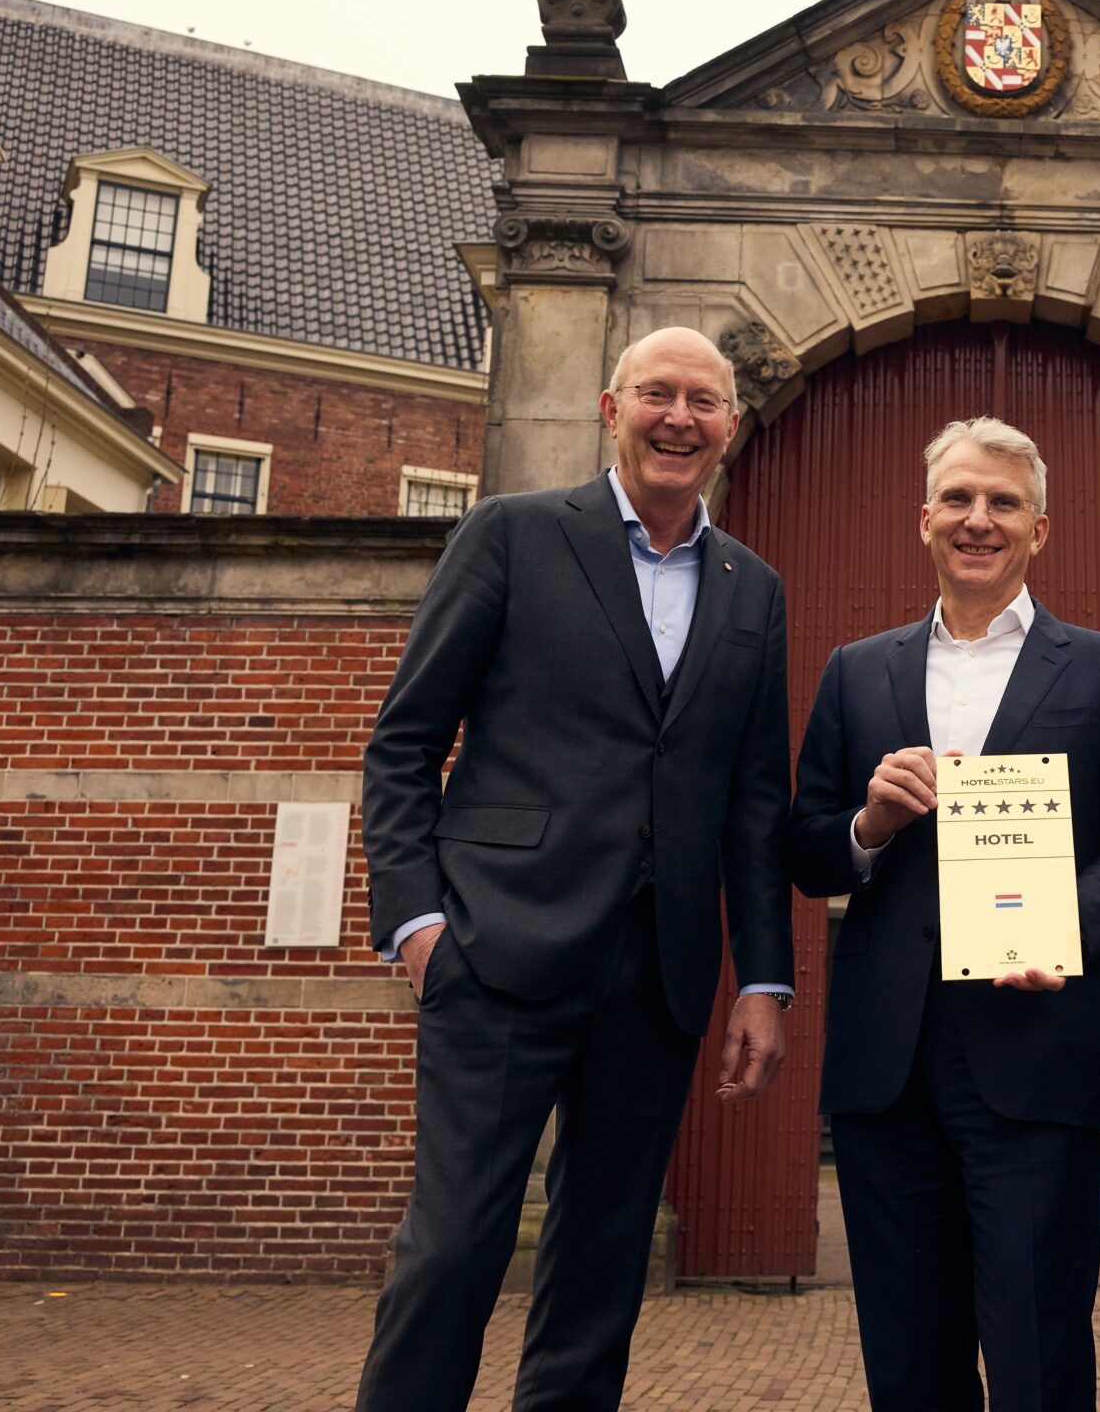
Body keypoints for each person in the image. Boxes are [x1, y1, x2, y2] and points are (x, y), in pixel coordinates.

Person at [354, 327, 796, 1412]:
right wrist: (416, 921)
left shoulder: (753, 588)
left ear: (730, 427)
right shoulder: (509, 535)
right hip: (498, 947)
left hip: (658, 974)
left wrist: (764, 979)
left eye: (703, 400)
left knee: (601, 1263)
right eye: (658, 394)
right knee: (456, 1245)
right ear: (611, 408)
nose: (679, 417)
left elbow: (753, 799)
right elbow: (404, 744)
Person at [788, 417, 1100, 1412]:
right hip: (888, 1066)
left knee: (1039, 1357)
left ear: (1038, 530)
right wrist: (868, 824)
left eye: (1003, 502)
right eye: (958, 499)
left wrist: (1060, 921)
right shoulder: (854, 670)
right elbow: (801, 848)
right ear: (924, 520)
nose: (978, 519)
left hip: (1036, 1051)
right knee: (908, 1363)